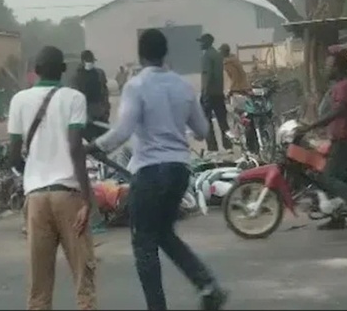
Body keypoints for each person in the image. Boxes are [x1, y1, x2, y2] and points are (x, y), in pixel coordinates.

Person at [88, 29, 227, 311]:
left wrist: (95, 146)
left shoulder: (136, 86)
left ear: (141, 54)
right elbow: (201, 130)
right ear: (165, 54)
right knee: (163, 233)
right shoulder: (183, 86)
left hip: (150, 170)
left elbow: (123, 130)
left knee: (144, 243)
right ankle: (207, 285)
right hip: (179, 169)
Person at [8, 46, 96, 310]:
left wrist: (34, 173)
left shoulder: (19, 100)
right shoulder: (74, 98)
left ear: (35, 70)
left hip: (35, 198)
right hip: (68, 194)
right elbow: (75, 148)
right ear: (63, 70)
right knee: (84, 280)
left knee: (39, 286)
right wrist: (88, 197)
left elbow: (13, 156)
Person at [295, 46, 347, 230]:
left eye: (329, 65)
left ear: (337, 67)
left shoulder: (344, 86)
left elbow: (338, 111)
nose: (325, 69)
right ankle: (337, 218)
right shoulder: (341, 85)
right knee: (318, 171)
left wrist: (312, 126)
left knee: (327, 177)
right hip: (339, 138)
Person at [198, 34, 232, 153]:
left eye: (202, 42)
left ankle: (212, 147)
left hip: (209, 93)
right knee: (222, 120)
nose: (200, 44)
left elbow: (207, 75)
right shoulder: (218, 55)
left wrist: (204, 92)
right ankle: (228, 145)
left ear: (207, 42)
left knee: (206, 120)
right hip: (218, 92)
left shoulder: (207, 56)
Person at [219, 43, 256, 151]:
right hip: (245, 89)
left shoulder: (228, 64)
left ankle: (240, 140)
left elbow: (233, 78)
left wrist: (229, 91)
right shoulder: (236, 61)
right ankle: (248, 143)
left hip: (236, 91)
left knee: (237, 116)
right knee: (246, 117)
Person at [72, 49, 110, 141]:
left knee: (104, 139)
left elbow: (105, 92)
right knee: (90, 140)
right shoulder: (77, 77)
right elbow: (76, 97)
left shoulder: (99, 73)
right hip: (86, 112)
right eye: (88, 61)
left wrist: (106, 109)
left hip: (99, 110)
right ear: (83, 61)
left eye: (92, 61)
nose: (90, 63)